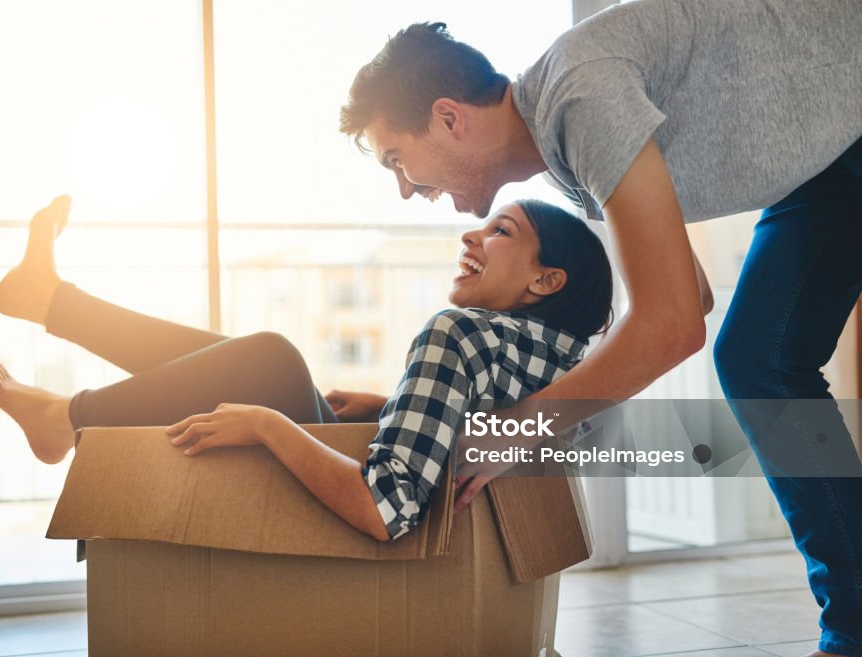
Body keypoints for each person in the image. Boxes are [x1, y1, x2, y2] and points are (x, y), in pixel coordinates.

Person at [338, 5, 862, 656]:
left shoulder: (579, 94)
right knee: (760, 358)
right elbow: (690, 294)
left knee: (759, 358)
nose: (403, 189)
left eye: (397, 159)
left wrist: (519, 427)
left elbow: (671, 323)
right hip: (831, 165)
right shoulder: (569, 157)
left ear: (448, 118)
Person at [0, 194, 613, 541]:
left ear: (546, 279)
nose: (471, 237)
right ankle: (51, 312)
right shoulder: (566, 366)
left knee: (268, 365)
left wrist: (266, 425)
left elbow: (384, 508)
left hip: (349, 529)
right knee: (259, 365)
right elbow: (534, 436)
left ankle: (66, 411)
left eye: (500, 230)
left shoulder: (462, 336)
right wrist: (396, 407)